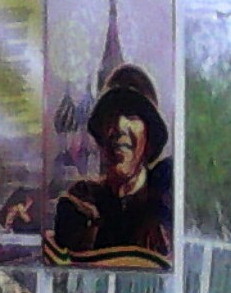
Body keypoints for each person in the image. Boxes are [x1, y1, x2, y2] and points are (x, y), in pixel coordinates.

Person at [48, 63, 172, 266]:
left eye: (132, 115)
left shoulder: (163, 201)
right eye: (111, 116)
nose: (119, 126)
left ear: (149, 134)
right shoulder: (81, 202)